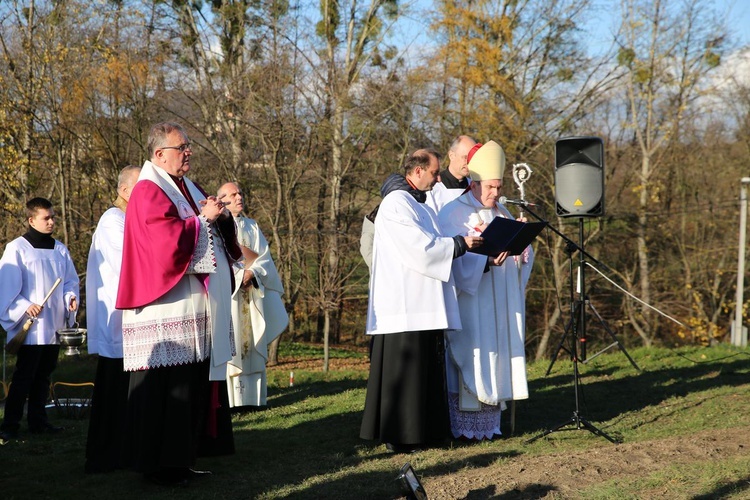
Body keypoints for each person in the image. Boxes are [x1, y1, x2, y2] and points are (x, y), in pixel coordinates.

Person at [115, 122, 242, 485]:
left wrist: (217, 216)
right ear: (160, 154)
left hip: (191, 306)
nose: (188, 152)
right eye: (181, 147)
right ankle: (160, 466)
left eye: (188, 146)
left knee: (189, 385)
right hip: (165, 306)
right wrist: (204, 219)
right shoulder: (149, 191)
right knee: (166, 390)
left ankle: (181, 460)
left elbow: (206, 222)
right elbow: (163, 243)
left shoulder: (183, 186)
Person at [359, 148, 483, 453]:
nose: (438, 178)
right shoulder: (396, 204)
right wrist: (457, 244)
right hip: (405, 305)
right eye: (434, 172)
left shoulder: (421, 204)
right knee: (406, 376)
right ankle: (401, 436)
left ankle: (426, 431)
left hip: (424, 304)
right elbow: (420, 248)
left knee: (426, 373)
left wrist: (473, 253)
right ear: (416, 172)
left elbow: (437, 244)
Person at [438, 140, 534, 440]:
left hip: (500, 305)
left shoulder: (503, 212)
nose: (495, 193)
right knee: (475, 354)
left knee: (496, 358)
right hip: (472, 303)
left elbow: (520, 260)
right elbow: (447, 260)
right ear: (475, 183)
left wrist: (522, 245)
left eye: (498, 186)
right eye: (490, 187)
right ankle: (464, 428)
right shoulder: (454, 213)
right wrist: (484, 262)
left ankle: (491, 426)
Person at [0, 197, 79, 444]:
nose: (52, 222)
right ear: (31, 219)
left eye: (53, 217)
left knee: (44, 375)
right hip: (30, 326)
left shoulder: (60, 249)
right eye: (46, 218)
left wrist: (70, 298)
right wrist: (25, 305)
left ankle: (38, 421)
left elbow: (69, 281)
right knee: (24, 376)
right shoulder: (17, 249)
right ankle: (10, 425)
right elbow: (7, 287)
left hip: (53, 323)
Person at [84, 165, 140, 472]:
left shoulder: (128, 218)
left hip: (131, 322)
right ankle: (105, 454)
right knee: (113, 394)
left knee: (126, 394)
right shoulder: (112, 220)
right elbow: (133, 259)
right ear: (124, 190)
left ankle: (123, 449)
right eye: (140, 186)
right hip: (117, 322)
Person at [217, 181, 289, 409]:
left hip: (251, 294)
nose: (239, 197)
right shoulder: (215, 226)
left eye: (240, 192)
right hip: (229, 296)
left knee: (252, 342)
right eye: (233, 194)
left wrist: (252, 273)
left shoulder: (251, 226)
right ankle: (231, 401)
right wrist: (239, 276)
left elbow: (264, 259)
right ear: (222, 200)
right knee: (232, 343)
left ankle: (254, 401)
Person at [425, 135, 477, 214]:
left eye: (472, 158)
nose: (469, 162)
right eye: (465, 157)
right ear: (451, 155)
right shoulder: (433, 188)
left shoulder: (475, 187)